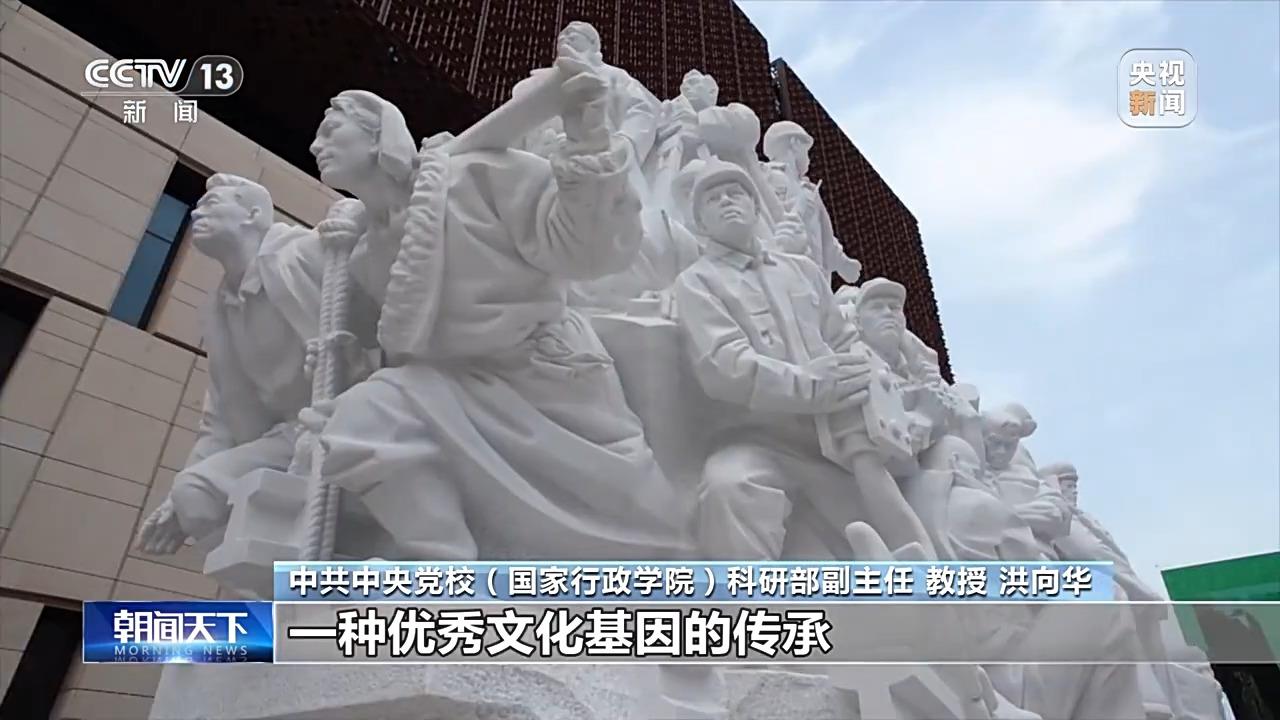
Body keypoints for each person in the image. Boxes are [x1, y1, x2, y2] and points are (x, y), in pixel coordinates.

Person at [302, 40, 693, 562]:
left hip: (549, 379)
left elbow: (586, 251)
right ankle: (443, 567)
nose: (316, 145)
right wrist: (349, 367)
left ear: (379, 135)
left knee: (650, 532)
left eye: (333, 129)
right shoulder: (366, 255)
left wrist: (589, 144)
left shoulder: (477, 174)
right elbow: (408, 348)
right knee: (363, 417)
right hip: (457, 385)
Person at [673, 159, 937, 560]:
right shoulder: (697, 282)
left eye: (736, 193)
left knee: (892, 529)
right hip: (759, 439)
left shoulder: (803, 272)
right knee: (729, 487)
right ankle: (750, 597)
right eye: (713, 198)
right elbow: (725, 367)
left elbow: (846, 340)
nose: (727, 201)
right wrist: (812, 386)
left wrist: (871, 392)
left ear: (755, 206)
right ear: (700, 222)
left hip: (835, 441)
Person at [135, 175, 326, 554]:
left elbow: (375, 259)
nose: (196, 213)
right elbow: (219, 418)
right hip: (291, 436)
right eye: (196, 207)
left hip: (349, 413)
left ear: (253, 214)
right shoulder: (219, 311)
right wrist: (178, 499)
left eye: (211, 204)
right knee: (193, 496)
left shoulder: (302, 253)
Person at [762, 120, 861, 283]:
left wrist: (843, 263)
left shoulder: (808, 188)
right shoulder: (767, 175)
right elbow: (765, 217)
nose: (808, 157)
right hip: (786, 271)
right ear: (794, 143)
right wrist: (797, 206)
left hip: (816, 277)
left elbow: (826, 236)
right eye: (806, 150)